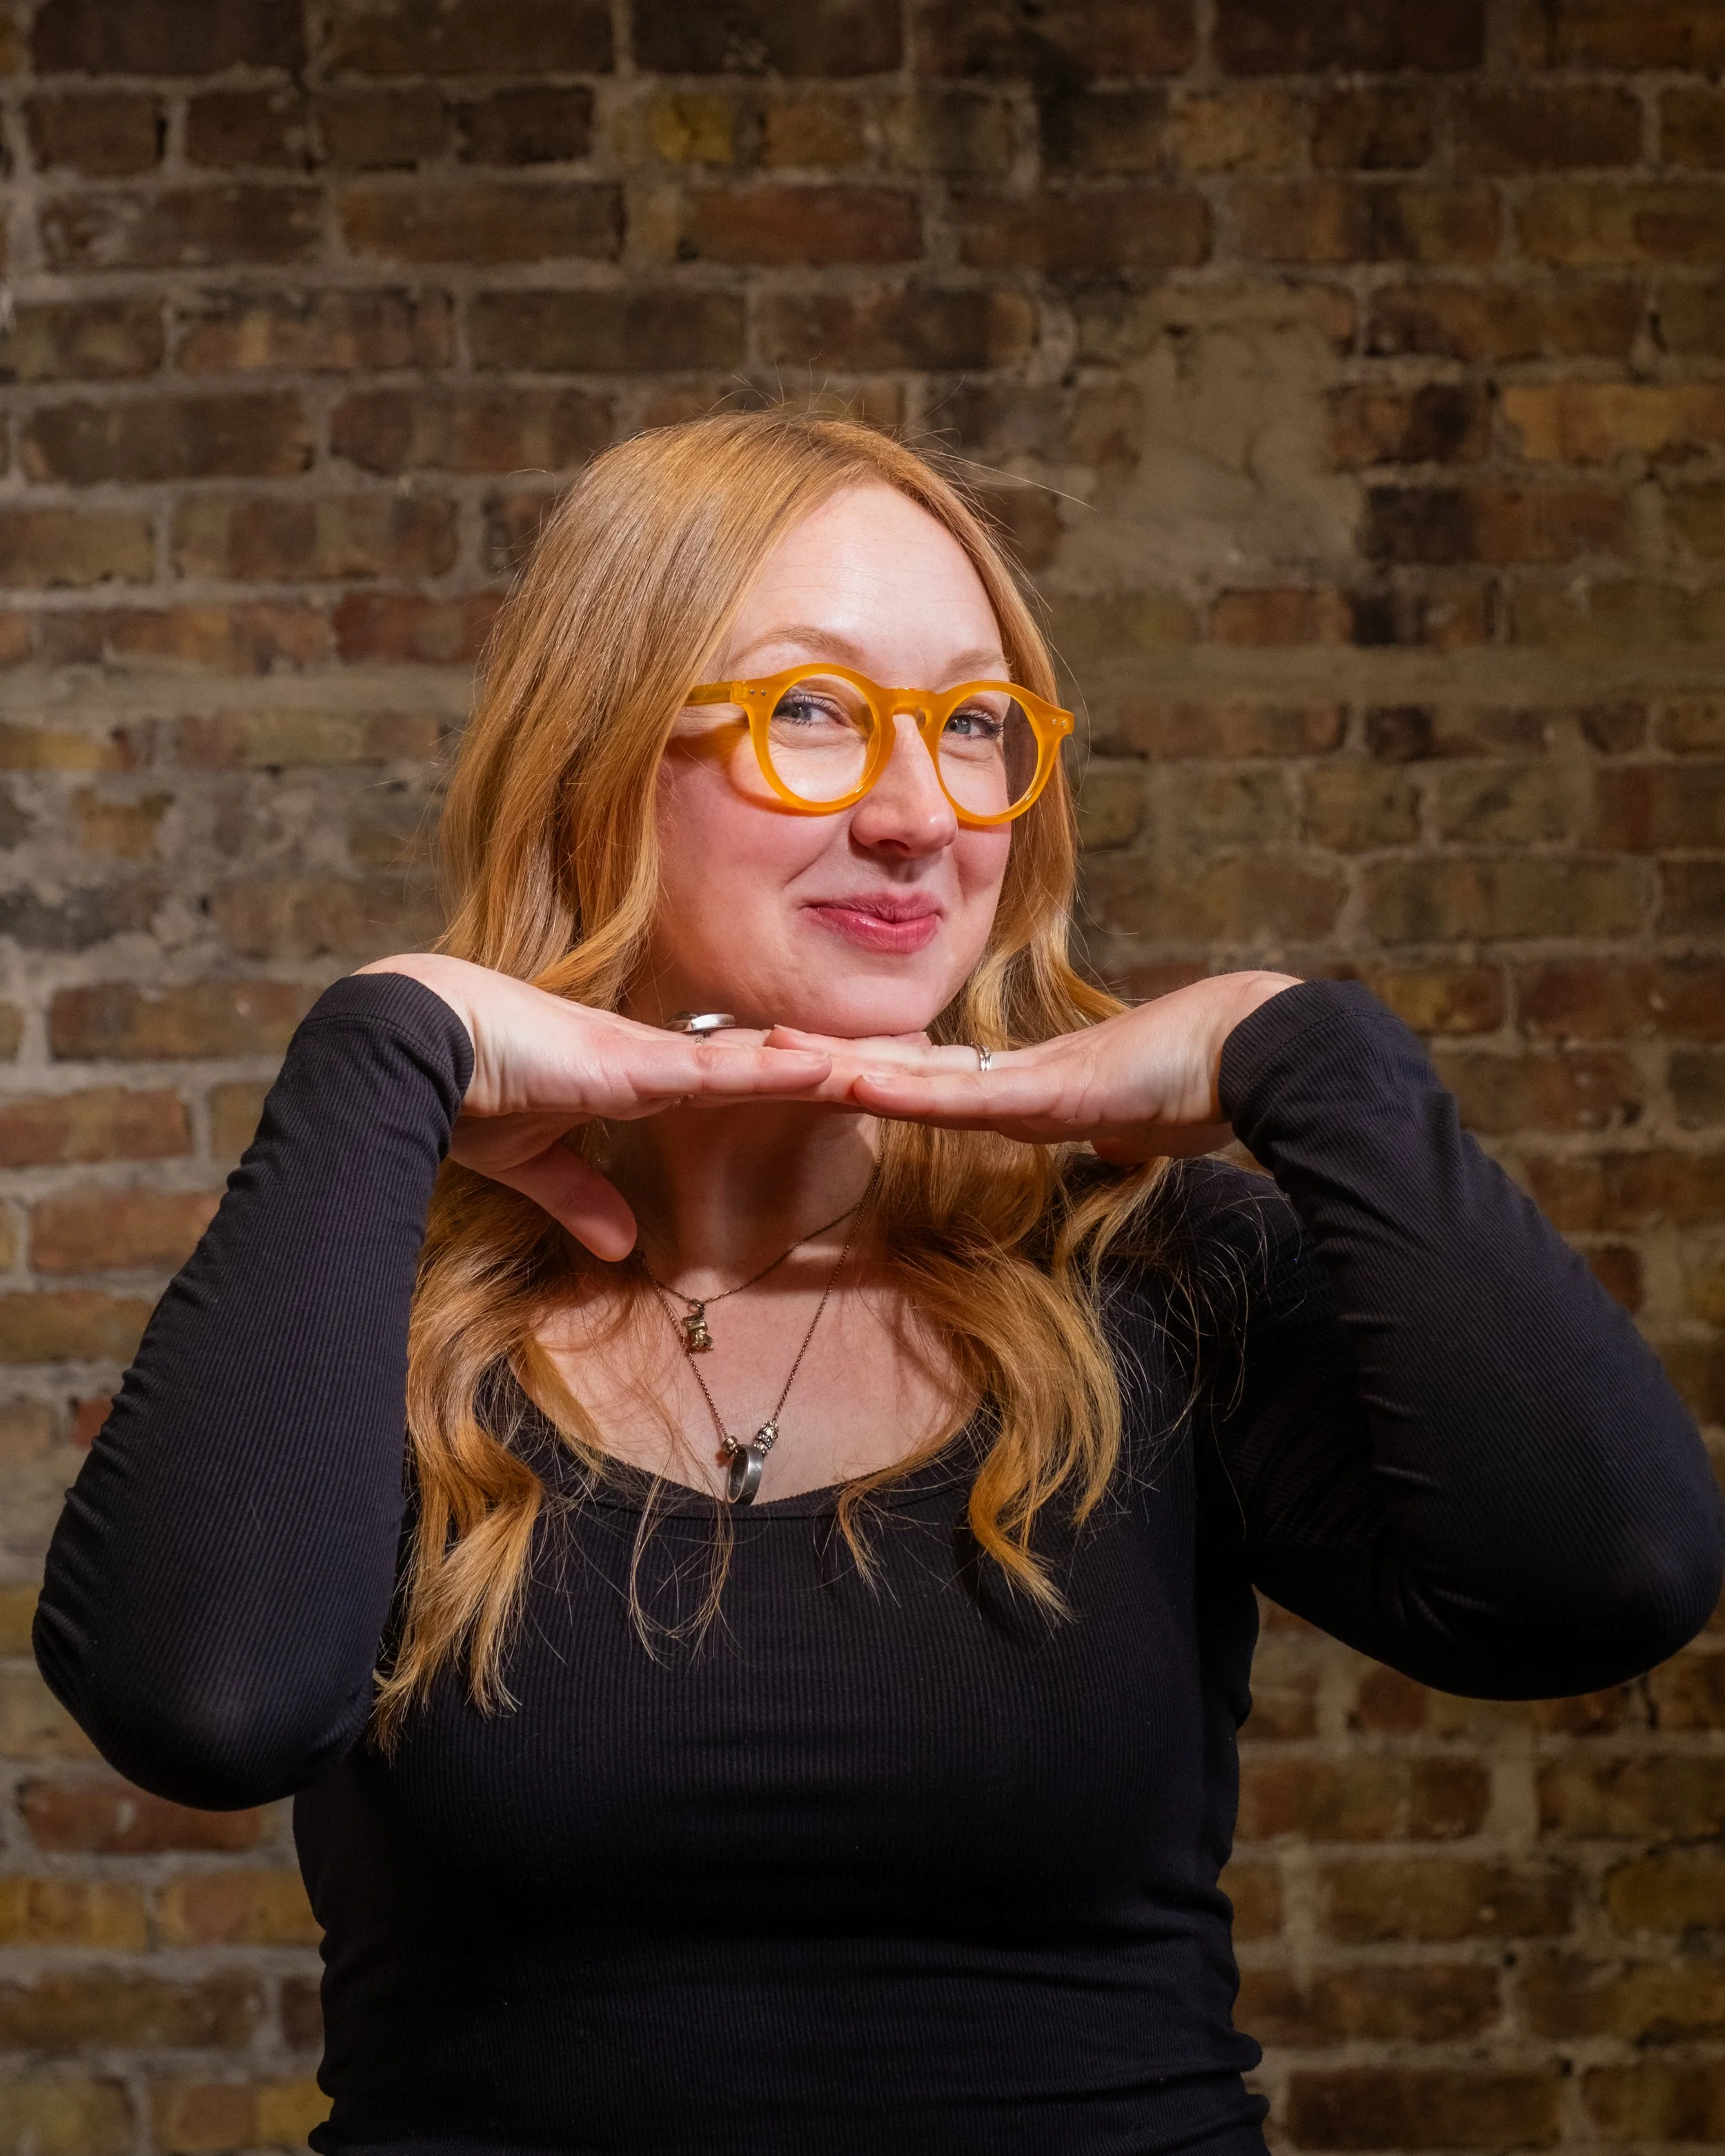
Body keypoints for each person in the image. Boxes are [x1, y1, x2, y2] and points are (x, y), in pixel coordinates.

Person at [32, 411, 1723, 2156]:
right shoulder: (375, 1298)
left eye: (975, 725)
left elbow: (1607, 1573)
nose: (922, 814)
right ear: (598, 757)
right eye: (814, 713)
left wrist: (1299, 1049)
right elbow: (204, 1705)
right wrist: (387, 1041)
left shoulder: (1145, 1268)